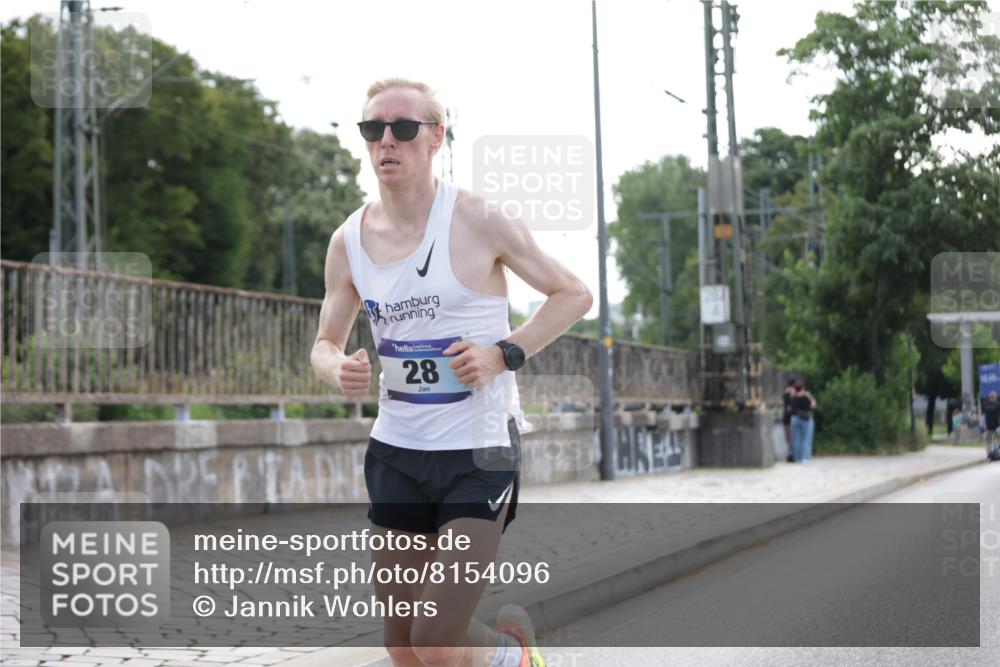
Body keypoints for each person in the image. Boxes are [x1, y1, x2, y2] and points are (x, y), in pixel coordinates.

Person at [311, 78, 592, 667]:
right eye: (373, 129)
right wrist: (339, 368)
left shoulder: (479, 220)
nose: (387, 141)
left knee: (436, 639)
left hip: (479, 451)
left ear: (435, 137)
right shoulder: (348, 241)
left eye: (404, 128)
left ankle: (514, 658)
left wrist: (503, 354)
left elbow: (572, 294)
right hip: (396, 453)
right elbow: (323, 344)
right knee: (402, 644)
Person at [789, 381, 817, 462]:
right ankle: (805, 458)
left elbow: (790, 406)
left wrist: (792, 393)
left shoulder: (793, 397)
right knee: (806, 439)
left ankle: (797, 457)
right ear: (802, 388)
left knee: (796, 439)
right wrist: (808, 395)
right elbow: (814, 405)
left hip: (794, 418)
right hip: (806, 419)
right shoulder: (806, 397)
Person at [782, 379, 796, 463]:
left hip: (786, 418)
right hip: (791, 418)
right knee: (792, 438)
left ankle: (790, 454)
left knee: (789, 438)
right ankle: (791, 455)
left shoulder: (785, 393)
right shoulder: (791, 394)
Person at [983, 391, 1000, 459]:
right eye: (992, 396)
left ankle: (992, 452)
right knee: (988, 441)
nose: (993, 398)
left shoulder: (986, 404)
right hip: (991, 426)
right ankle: (990, 453)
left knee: (989, 441)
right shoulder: (997, 405)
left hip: (994, 426)